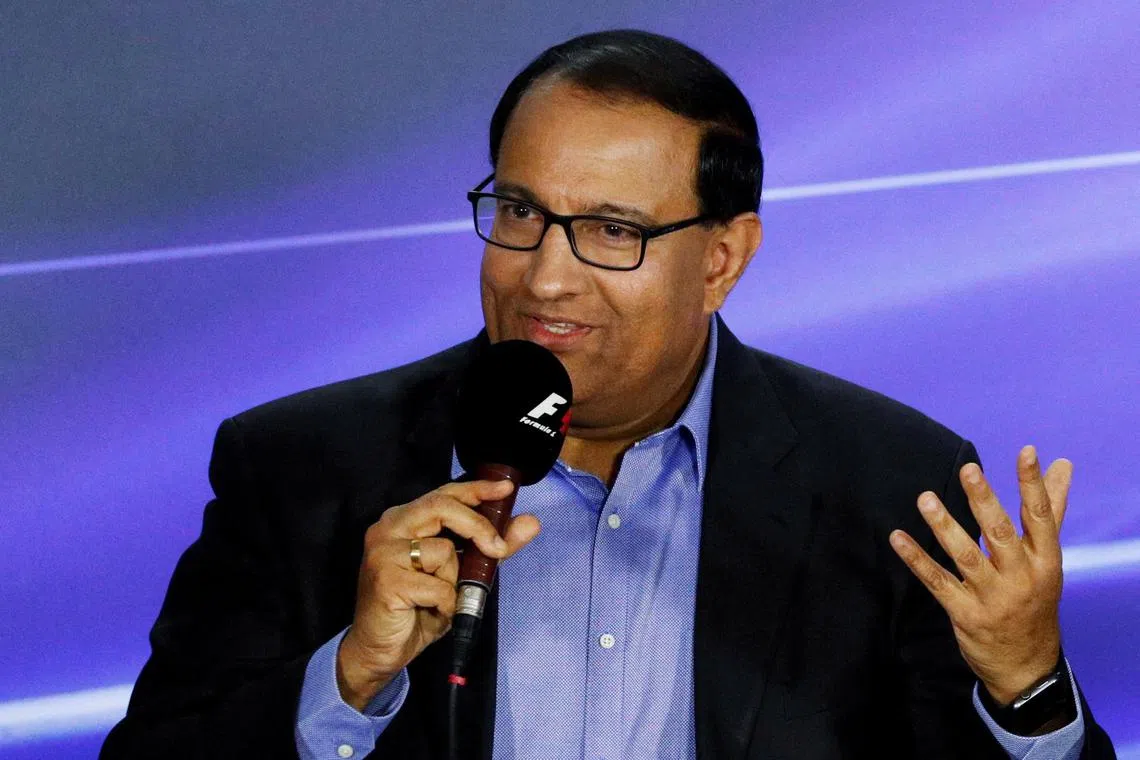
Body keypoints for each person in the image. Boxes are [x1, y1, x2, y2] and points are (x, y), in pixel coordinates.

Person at [101, 30, 1117, 760]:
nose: (545, 278)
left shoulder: (893, 485)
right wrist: (350, 677)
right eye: (519, 212)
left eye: (612, 231)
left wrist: (1025, 688)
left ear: (721, 259)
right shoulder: (302, 468)